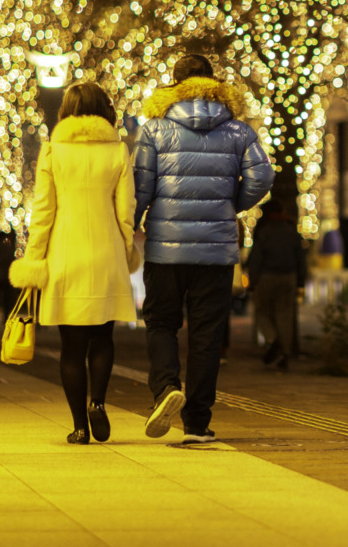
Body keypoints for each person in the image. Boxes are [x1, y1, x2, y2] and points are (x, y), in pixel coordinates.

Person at [134, 54, 273, 444]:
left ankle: (165, 387)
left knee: (161, 322)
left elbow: (140, 186)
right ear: (213, 82)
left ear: (174, 84)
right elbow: (263, 175)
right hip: (216, 249)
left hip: (165, 249)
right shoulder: (238, 131)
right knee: (207, 333)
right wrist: (231, 205)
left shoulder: (154, 130)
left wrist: (133, 223)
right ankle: (196, 422)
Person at [10, 81, 140, 445]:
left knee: (71, 347)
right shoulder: (118, 151)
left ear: (67, 110)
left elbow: (43, 211)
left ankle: (80, 426)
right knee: (103, 338)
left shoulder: (53, 151)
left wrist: (34, 259)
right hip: (106, 251)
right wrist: (125, 249)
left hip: (65, 253)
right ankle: (98, 401)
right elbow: (126, 210)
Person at [244, 198, 307, 371]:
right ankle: (284, 352)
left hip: (267, 276)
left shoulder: (264, 231)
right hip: (289, 277)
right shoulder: (292, 231)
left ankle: (273, 340)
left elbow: (256, 259)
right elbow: (300, 258)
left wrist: (252, 281)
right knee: (285, 314)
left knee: (262, 311)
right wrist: (301, 280)